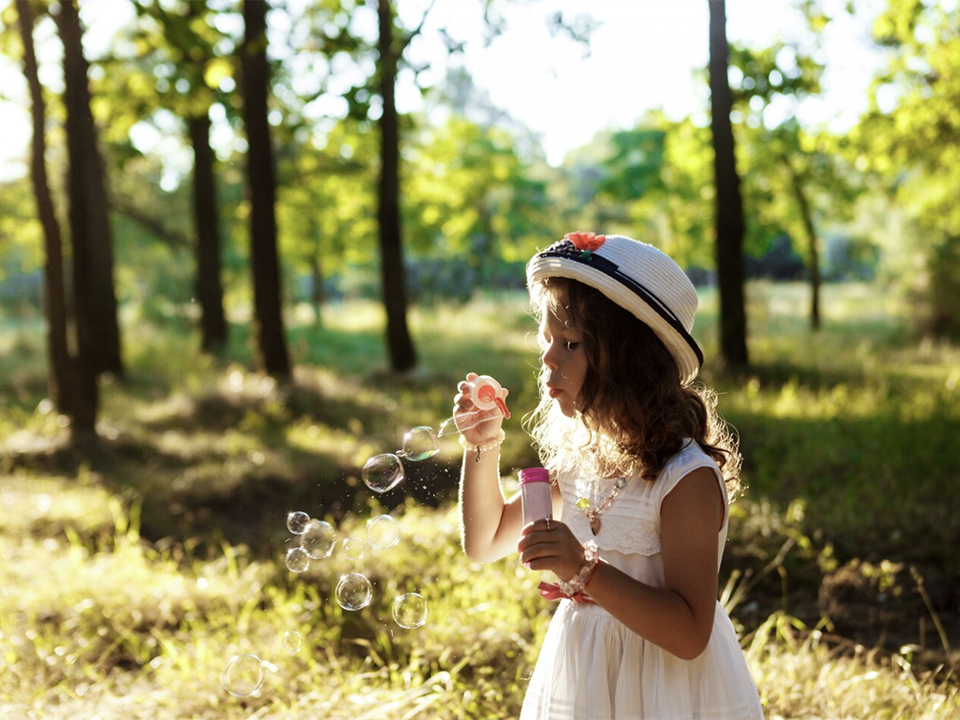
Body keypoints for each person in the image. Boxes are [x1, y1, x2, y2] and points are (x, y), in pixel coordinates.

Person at [454, 232, 765, 719]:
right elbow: (486, 541)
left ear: (631, 358)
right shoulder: (580, 462)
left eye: (571, 343)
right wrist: (481, 444)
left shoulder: (684, 480)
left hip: (668, 692)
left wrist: (584, 571)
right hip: (588, 684)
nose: (548, 359)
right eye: (547, 340)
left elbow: (688, 634)